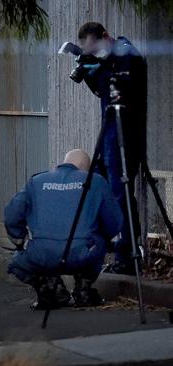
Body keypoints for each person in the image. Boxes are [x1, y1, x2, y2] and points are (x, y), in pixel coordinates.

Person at [5, 149, 124, 309]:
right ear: (85, 168)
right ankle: (83, 288)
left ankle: (49, 287)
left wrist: (20, 239)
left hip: (42, 254)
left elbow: (12, 213)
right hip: (83, 253)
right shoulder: (95, 181)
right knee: (98, 243)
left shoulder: (37, 181)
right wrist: (103, 239)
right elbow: (115, 222)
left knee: (17, 261)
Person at [77, 22, 147, 275]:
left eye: (95, 48)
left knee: (120, 194)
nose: (95, 54)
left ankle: (128, 253)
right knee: (96, 187)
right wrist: (88, 73)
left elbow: (124, 90)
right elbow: (103, 91)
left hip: (124, 135)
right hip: (109, 132)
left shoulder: (126, 53)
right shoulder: (110, 59)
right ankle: (97, 247)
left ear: (105, 36)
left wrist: (102, 69)